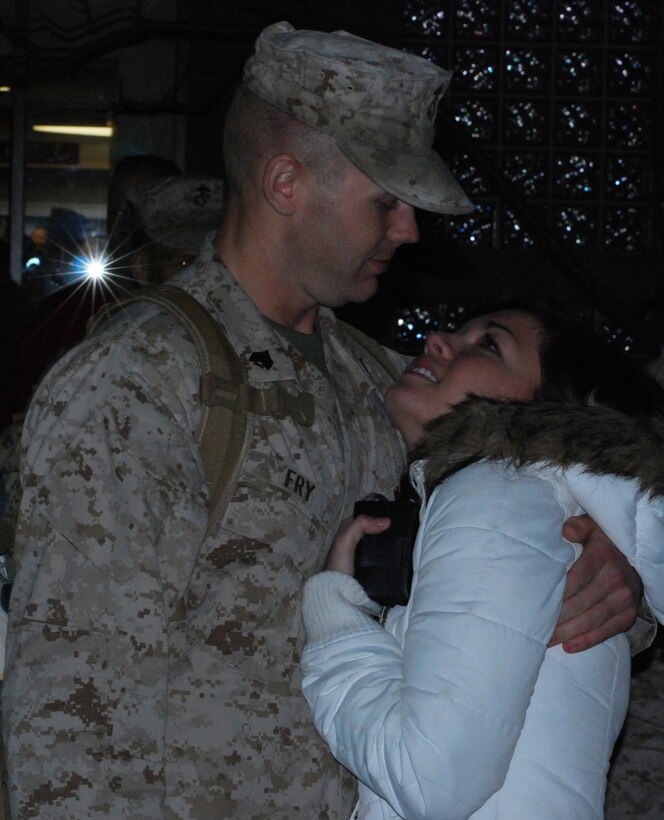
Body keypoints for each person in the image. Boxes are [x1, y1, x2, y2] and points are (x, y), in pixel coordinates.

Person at [2, 22, 645, 819]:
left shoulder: (383, 382)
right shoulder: (138, 385)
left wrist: (619, 571)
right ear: (285, 184)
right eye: (387, 203)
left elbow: (509, 568)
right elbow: (69, 719)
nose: (409, 231)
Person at [301, 306, 664, 819]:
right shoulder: (523, 501)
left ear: (547, 406)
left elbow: (428, 781)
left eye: (489, 345)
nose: (437, 340)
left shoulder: (496, 493)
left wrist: (335, 622)